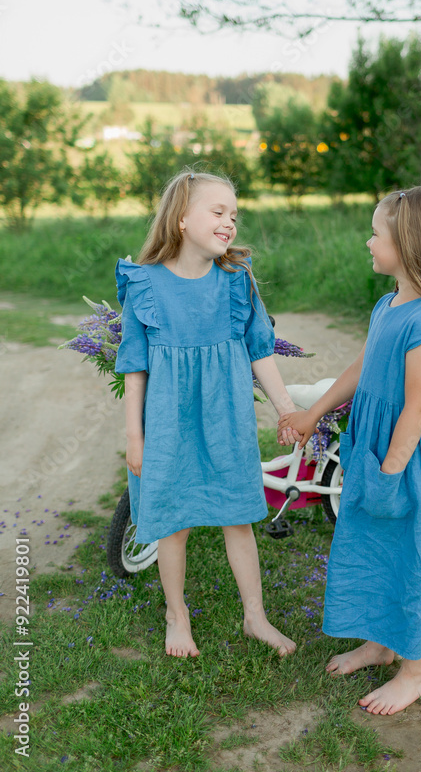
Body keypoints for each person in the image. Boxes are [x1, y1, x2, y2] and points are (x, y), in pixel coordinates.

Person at [277, 186, 421, 715]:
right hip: (376, 449)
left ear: (409, 245)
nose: (368, 242)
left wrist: (390, 472)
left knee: (417, 549)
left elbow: (417, 409)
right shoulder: (388, 306)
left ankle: (416, 672)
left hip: (408, 460)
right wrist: (314, 413)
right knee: (379, 545)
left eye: (376, 234)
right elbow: (361, 368)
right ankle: (381, 643)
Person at [115, 170, 299, 658]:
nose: (229, 222)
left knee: (238, 515)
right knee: (173, 521)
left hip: (226, 420)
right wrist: (135, 437)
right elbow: (134, 367)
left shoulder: (237, 281)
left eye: (234, 214)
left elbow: (260, 351)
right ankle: (176, 615)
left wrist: (286, 410)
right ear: (181, 218)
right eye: (218, 212)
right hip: (168, 423)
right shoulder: (145, 284)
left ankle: (255, 617)